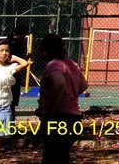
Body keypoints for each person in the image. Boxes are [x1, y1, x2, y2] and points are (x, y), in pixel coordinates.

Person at [37, 33, 87, 164]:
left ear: (46, 50)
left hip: (59, 117)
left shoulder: (54, 64)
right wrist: (71, 95)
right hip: (74, 117)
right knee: (62, 156)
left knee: (51, 156)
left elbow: (59, 82)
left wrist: (50, 110)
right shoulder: (72, 64)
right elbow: (83, 85)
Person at [5, 23, 30, 111]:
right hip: (14, 70)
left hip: (8, 69)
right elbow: (20, 58)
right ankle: (11, 113)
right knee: (13, 93)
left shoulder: (7, 40)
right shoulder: (17, 43)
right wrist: (25, 58)